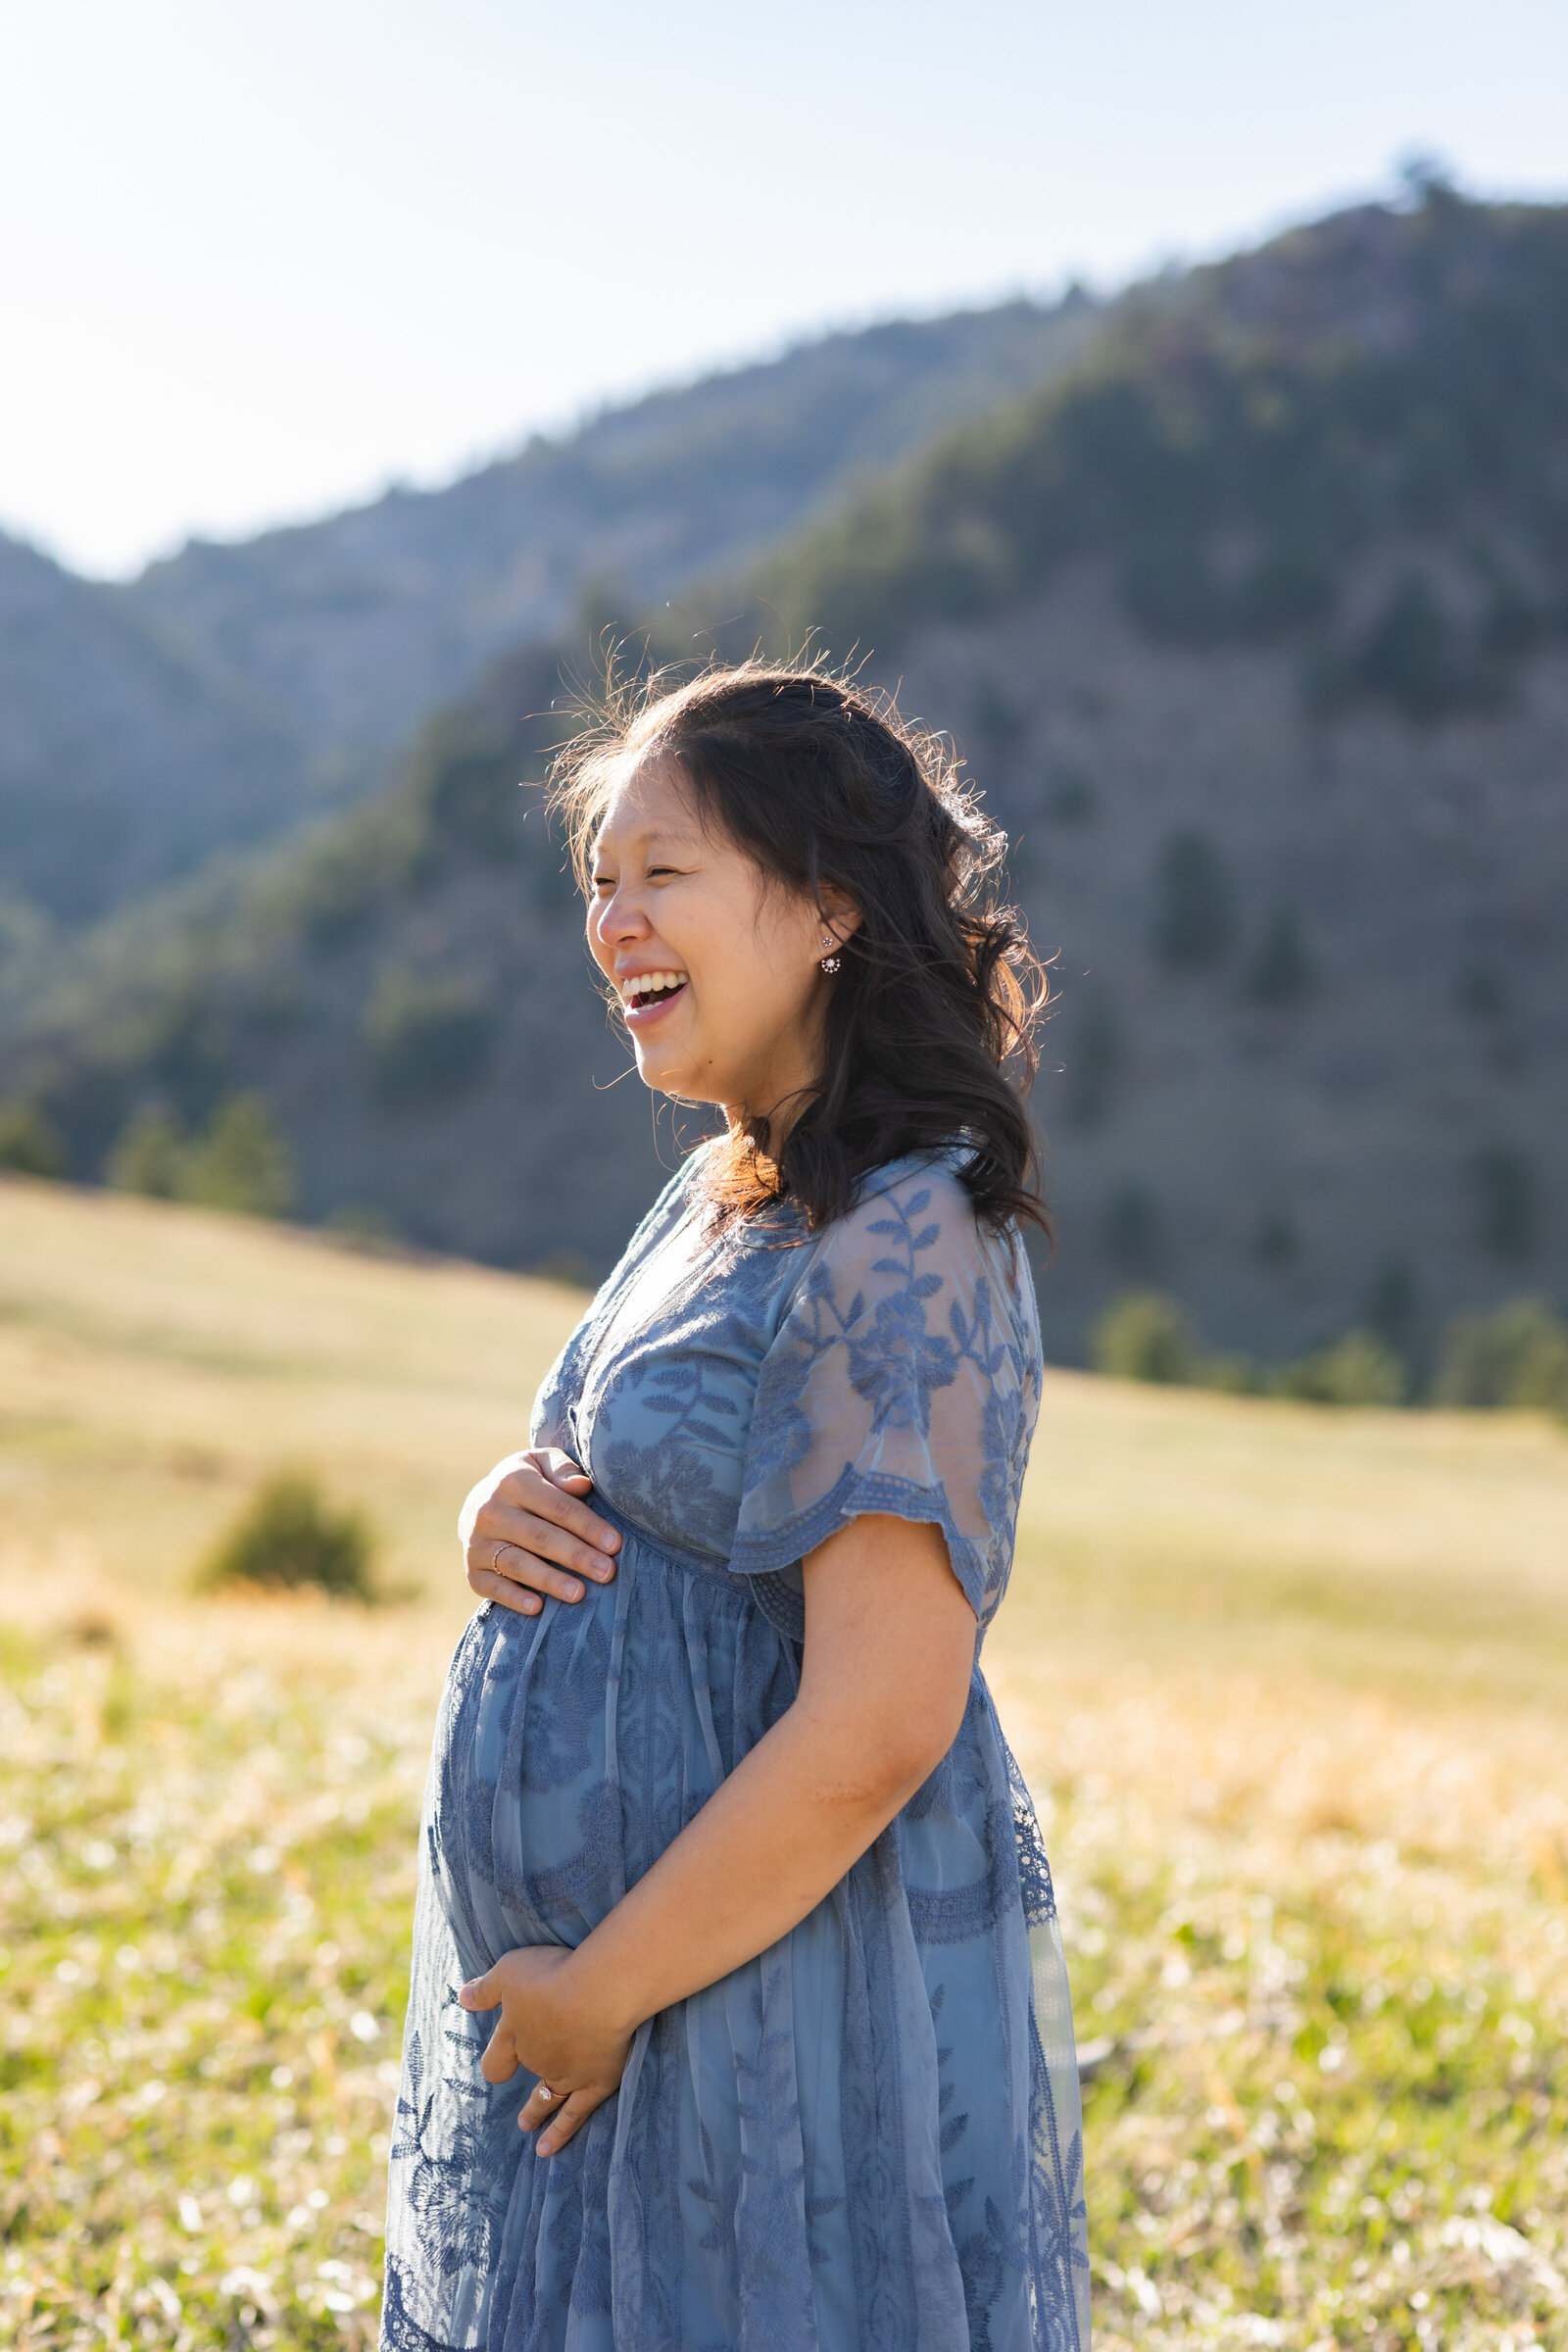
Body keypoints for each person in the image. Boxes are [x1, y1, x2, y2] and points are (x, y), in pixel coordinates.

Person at [381, 662, 1089, 2352]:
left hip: (759, 2013)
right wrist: (505, 1504)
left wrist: (604, 1990)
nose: (612, 922)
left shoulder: (904, 1244)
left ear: (833, 903)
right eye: (597, 884)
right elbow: (633, 1464)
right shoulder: (727, 1185)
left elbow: (880, 1721)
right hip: (631, 2028)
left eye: (662, 875)